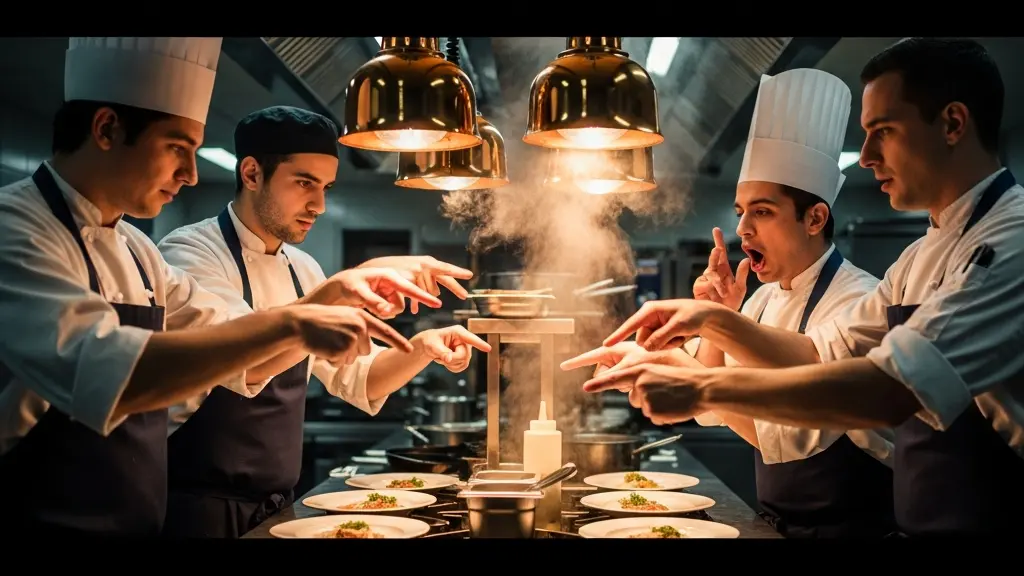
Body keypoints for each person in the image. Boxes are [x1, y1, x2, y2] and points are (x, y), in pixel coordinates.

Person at [581, 38, 1024, 537]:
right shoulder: (922, 255)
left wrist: (703, 385)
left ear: (952, 123)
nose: (867, 157)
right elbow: (820, 354)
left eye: (884, 131)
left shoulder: (1011, 242)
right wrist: (711, 319)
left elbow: (891, 390)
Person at [0, 37, 440, 538]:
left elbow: (244, 360)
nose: (190, 175)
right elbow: (116, 373)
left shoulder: (137, 252)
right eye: (177, 148)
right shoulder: (16, 229)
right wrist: (307, 314)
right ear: (106, 129)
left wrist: (344, 308)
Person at [562, 69, 896, 538]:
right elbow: (717, 407)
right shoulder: (762, 299)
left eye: (762, 211)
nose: (742, 230)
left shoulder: (859, 299)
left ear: (815, 217)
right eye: (741, 213)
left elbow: (791, 430)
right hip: (780, 522)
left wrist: (715, 324)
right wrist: (658, 352)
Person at [156, 105, 491, 538]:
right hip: (199, 510)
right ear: (252, 173)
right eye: (304, 183)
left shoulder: (303, 268)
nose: (319, 204)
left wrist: (424, 348)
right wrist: (335, 291)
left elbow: (360, 380)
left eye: (327, 187)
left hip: (278, 505)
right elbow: (243, 365)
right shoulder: (190, 253)